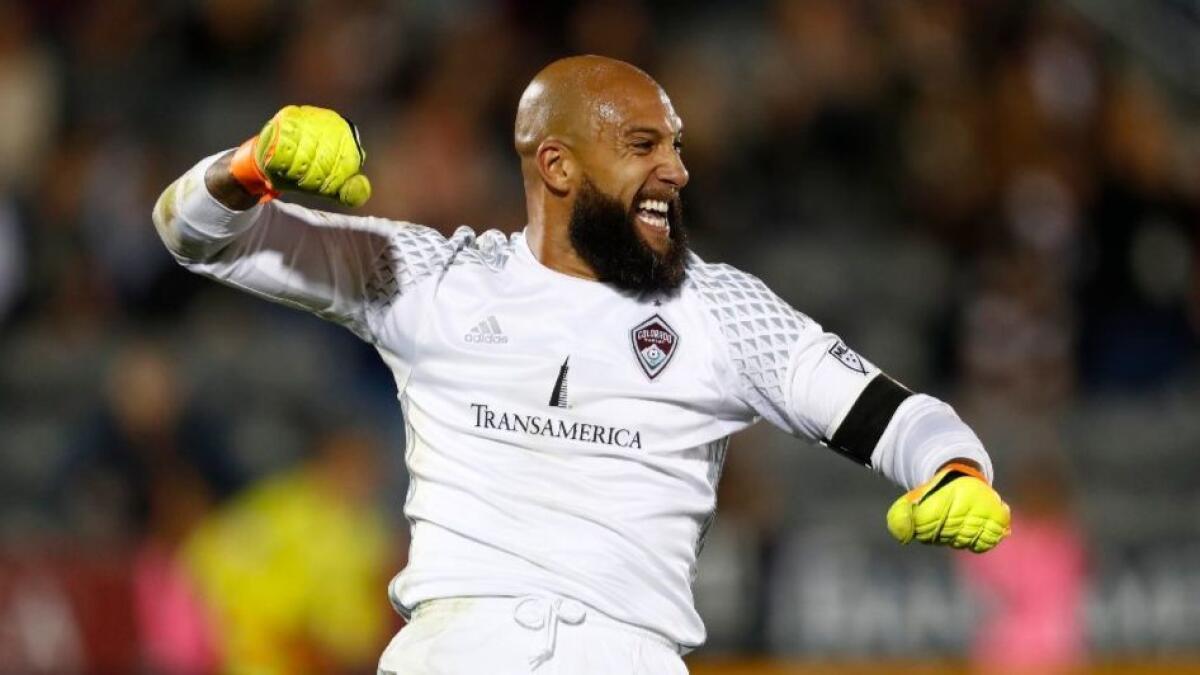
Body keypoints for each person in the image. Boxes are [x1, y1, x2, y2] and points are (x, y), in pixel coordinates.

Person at [152, 55, 1011, 674]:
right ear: (556, 164)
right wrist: (252, 165)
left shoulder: (723, 310)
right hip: (455, 650)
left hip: (628, 653)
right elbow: (194, 234)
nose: (676, 169)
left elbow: (893, 412)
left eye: (675, 146)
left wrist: (953, 465)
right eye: (644, 145)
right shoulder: (434, 279)